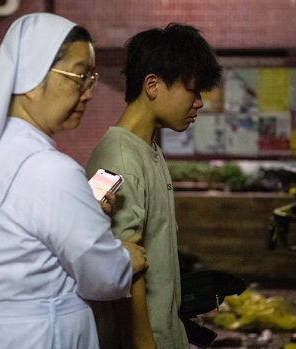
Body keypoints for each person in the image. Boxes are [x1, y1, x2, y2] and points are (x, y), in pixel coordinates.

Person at [0, 13, 148, 349]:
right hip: (39, 334)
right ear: (30, 75)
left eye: (92, 79)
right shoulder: (50, 169)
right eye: (80, 77)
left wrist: (86, 212)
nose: (89, 93)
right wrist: (125, 258)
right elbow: (102, 278)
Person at [86, 24, 222, 348]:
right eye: (192, 90)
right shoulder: (120, 160)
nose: (199, 103)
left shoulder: (146, 149)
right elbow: (121, 269)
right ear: (152, 85)